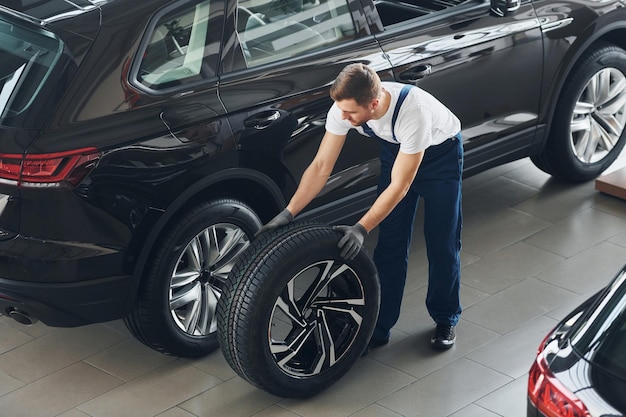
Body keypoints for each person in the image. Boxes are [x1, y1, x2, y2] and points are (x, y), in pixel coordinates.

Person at [256, 63, 463, 351]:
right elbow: (320, 166)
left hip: (440, 157)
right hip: (397, 152)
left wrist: (361, 227)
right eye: (341, 110)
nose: (343, 117)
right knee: (390, 244)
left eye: (351, 112)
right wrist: (289, 212)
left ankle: (445, 318)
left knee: (442, 241)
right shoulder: (343, 108)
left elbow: (400, 187)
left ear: (374, 104)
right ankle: (379, 328)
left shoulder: (413, 113)